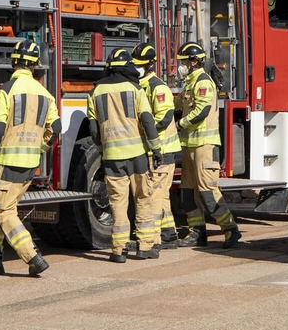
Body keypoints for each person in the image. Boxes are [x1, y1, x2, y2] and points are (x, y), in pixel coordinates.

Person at [0, 38, 57, 278]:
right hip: (30, 165)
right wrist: (39, 149)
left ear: (13, 62)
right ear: (35, 64)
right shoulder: (46, 94)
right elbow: (55, 129)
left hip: (8, 162)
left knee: (4, 211)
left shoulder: (6, 91)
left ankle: (32, 256)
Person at [87, 48, 161, 263]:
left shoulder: (95, 91)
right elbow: (147, 121)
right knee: (143, 199)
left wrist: (102, 151)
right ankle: (145, 247)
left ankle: (118, 250)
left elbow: (94, 130)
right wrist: (156, 149)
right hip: (137, 155)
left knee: (117, 203)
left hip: (112, 157)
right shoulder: (135, 89)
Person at [177, 42, 240, 248]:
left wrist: (181, 124)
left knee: (207, 192)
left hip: (204, 145)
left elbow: (201, 111)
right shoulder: (190, 82)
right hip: (189, 145)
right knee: (188, 193)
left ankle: (230, 229)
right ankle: (197, 232)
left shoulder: (203, 82)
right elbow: (179, 105)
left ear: (195, 61)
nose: (182, 65)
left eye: (184, 61)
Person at [132, 43, 184, 249]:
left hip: (163, 150)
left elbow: (164, 118)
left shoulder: (157, 86)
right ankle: (169, 234)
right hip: (153, 149)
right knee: (161, 196)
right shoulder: (140, 85)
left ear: (150, 65)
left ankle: (152, 240)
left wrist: (145, 132)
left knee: (153, 195)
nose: (137, 68)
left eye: (141, 65)